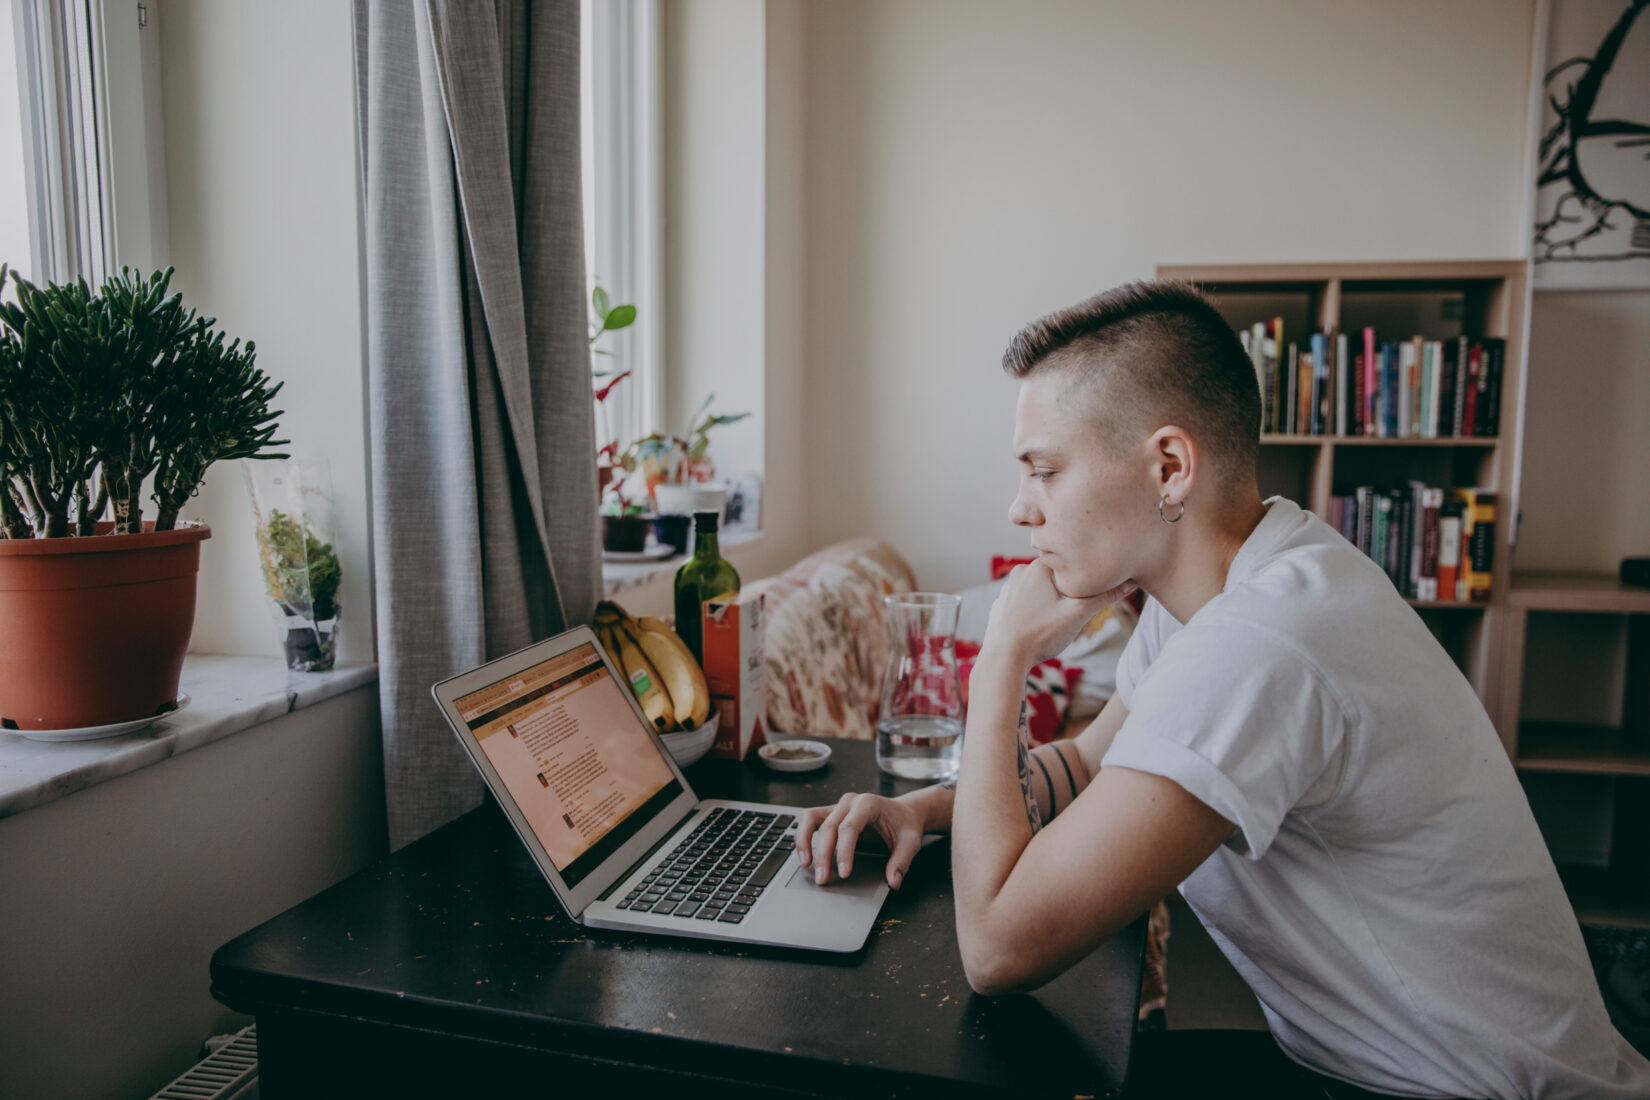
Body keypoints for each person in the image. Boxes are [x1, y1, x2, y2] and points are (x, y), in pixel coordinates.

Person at [794, 281, 1650, 1100]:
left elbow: (998, 947)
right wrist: (923, 812)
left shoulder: (1264, 641)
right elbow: (1090, 767)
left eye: (1044, 471)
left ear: (1170, 466)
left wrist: (997, 665)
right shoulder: (1223, 586)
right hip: (1367, 1066)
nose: (1020, 507)